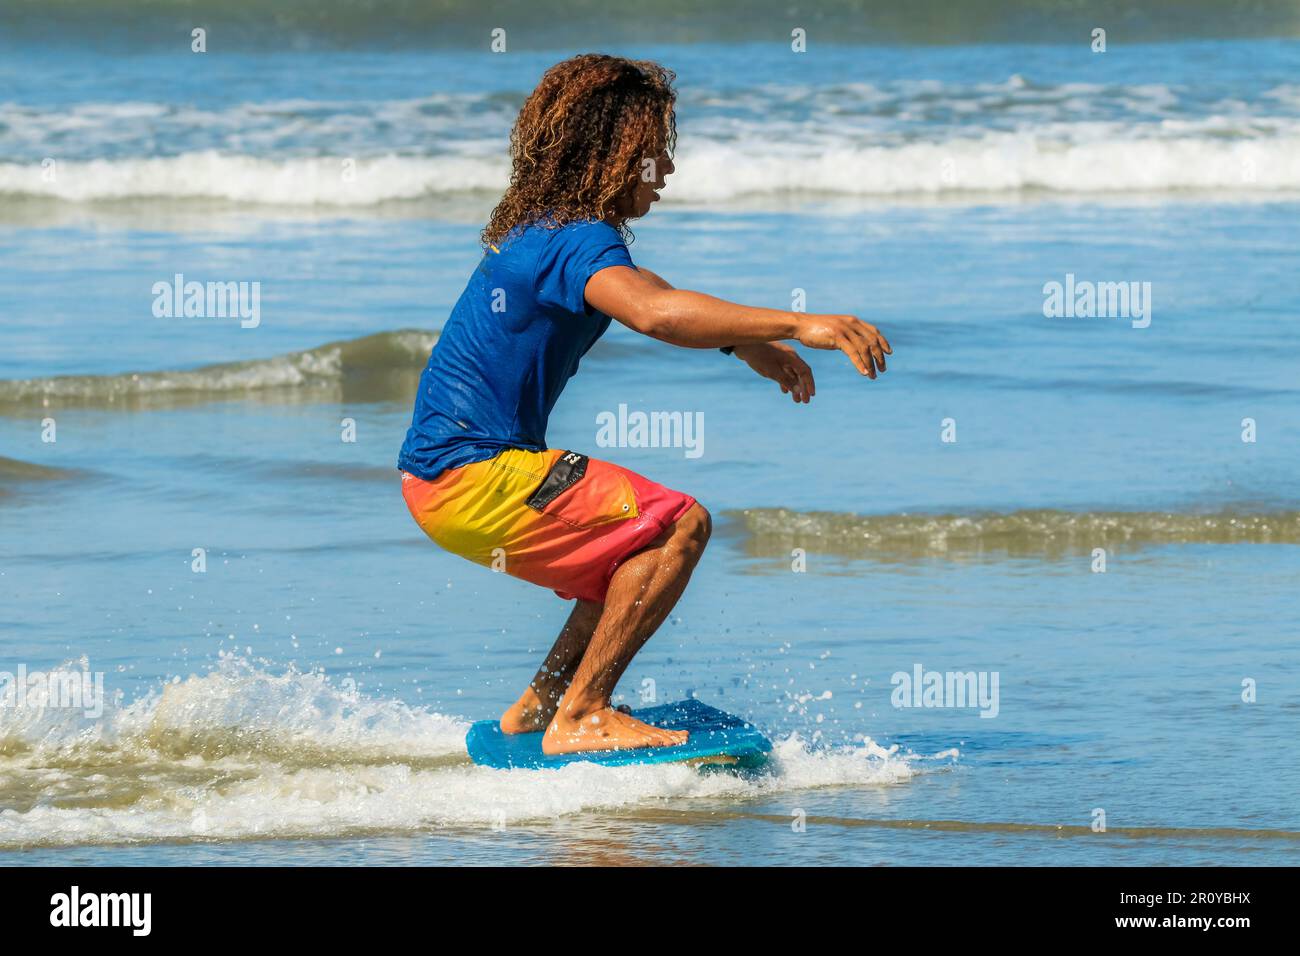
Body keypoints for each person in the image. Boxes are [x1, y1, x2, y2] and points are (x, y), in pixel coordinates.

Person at [398, 54, 890, 755]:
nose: (665, 168)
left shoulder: (547, 230)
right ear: (611, 154)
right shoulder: (575, 240)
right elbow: (655, 313)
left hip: (440, 482)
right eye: (653, 150)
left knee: (625, 542)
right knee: (675, 525)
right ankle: (583, 713)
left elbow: (645, 288)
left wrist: (738, 345)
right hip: (472, 477)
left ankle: (540, 709)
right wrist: (795, 322)